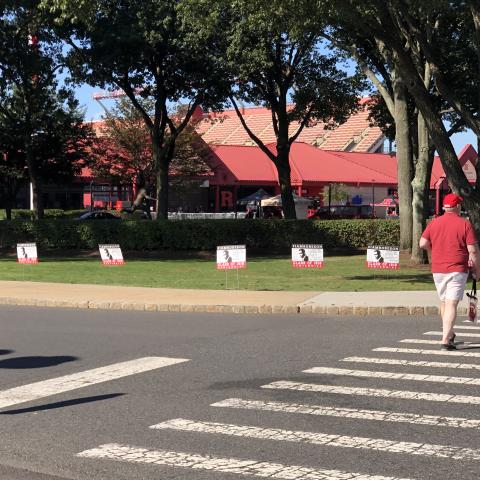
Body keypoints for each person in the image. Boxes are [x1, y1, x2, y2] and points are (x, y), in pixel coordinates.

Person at [420, 193, 480, 350]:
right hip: (457, 269)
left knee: (444, 302)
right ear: (457, 207)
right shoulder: (464, 224)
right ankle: (445, 340)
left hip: (438, 269)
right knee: (452, 304)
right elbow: (473, 251)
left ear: (445, 208)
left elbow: (422, 243)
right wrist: (477, 270)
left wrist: (432, 252)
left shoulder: (434, 223)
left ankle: (450, 332)